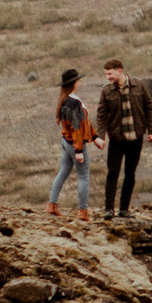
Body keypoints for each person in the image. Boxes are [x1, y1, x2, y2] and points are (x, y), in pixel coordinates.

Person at [95, 56, 152, 219]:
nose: (108, 77)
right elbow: (101, 115)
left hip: (136, 138)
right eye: (106, 75)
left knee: (130, 173)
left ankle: (124, 209)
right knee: (112, 173)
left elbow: (149, 107)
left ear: (119, 71)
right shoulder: (106, 91)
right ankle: (108, 209)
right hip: (116, 139)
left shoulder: (139, 85)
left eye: (110, 74)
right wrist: (100, 136)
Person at [48, 68, 92, 219]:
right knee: (83, 175)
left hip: (66, 141)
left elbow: (80, 125)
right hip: (74, 143)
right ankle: (83, 211)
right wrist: (79, 149)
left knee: (63, 172)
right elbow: (77, 127)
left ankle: (52, 205)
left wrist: (96, 136)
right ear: (74, 83)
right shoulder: (74, 102)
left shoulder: (65, 100)